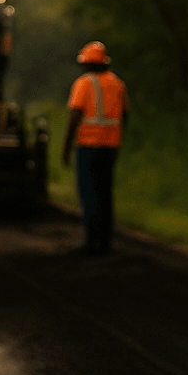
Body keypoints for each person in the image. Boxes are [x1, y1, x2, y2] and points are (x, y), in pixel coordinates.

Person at [62, 41, 129, 255]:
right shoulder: (118, 84)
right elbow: (125, 115)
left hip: (88, 146)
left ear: (88, 63)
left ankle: (91, 242)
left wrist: (66, 146)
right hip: (111, 146)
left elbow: (75, 116)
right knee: (105, 193)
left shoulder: (83, 83)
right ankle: (106, 241)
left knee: (89, 193)